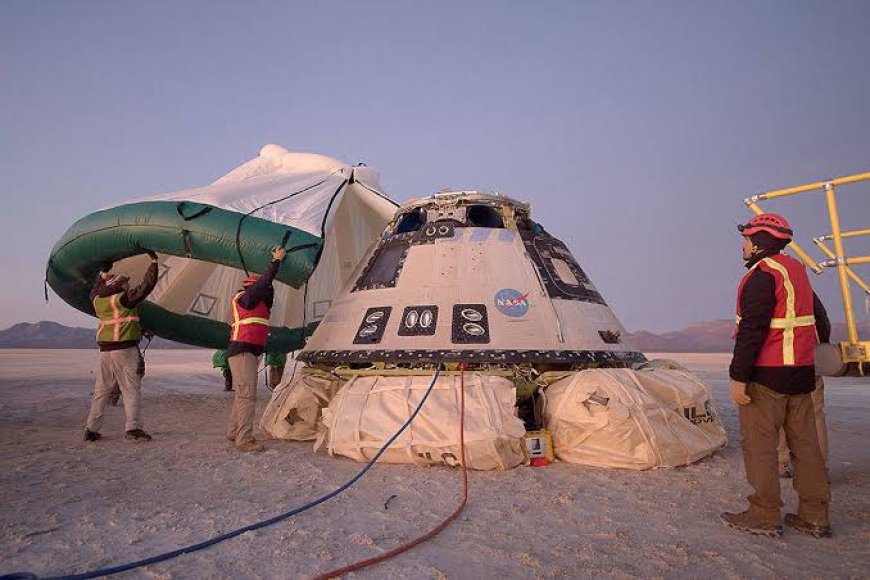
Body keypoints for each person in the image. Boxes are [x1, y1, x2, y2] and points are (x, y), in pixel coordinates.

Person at [721, 213, 831, 539]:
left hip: (767, 377)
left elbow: (751, 331)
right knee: (806, 447)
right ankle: (815, 515)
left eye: (746, 240)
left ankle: (764, 514)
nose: (743, 246)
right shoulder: (797, 272)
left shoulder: (761, 277)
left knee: (760, 447)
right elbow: (820, 320)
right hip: (801, 375)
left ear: (759, 243)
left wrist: (738, 377)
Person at [84, 251, 159, 442]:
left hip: (105, 352)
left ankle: (91, 429)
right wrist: (154, 262)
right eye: (125, 284)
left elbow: (96, 288)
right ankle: (133, 428)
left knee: (102, 389)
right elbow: (146, 286)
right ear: (118, 286)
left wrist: (103, 272)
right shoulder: (122, 299)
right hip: (125, 350)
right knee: (130, 389)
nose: (128, 287)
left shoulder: (97, 300)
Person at [225, 245, 286, 452]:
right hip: (242, 352)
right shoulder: (245, 298)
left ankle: (234, 432)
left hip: (247, 352)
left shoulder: (258, 303)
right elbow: (262, 286)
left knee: (242, 393)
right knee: (247, 395)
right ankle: (244, 439)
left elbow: (267, 292)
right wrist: (276, 262)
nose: (266, 293)